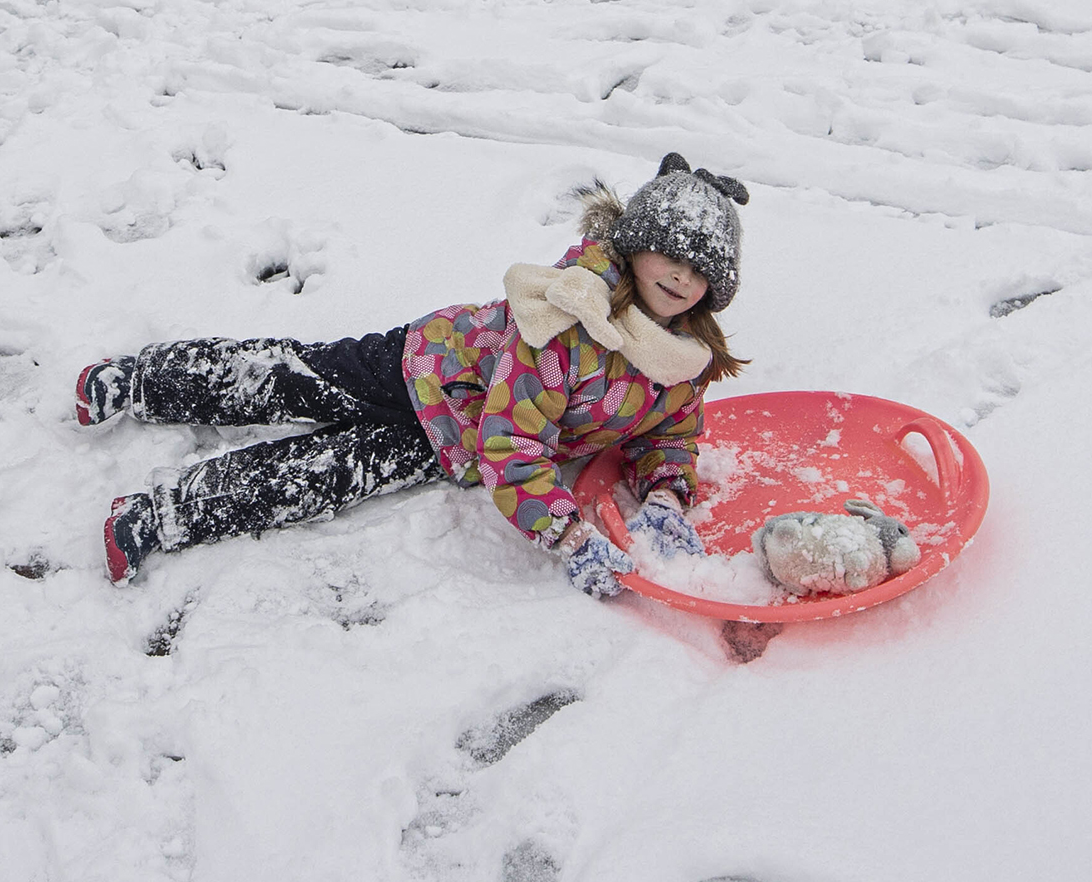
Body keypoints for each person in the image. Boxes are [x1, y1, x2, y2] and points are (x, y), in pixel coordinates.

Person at [76, 153, 750, 597]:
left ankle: (160, 516)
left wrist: (664, 493)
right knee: (291, 377)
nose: (680, 276)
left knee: (321, 475)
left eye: (700, 270)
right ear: (635, 246)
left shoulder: (681, 359)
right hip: (421, 364)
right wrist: (570, 534)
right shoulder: (569, 320)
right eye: (669, 254)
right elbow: (513, 445)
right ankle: (140, 380)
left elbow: (668, 434)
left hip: (451, 441)